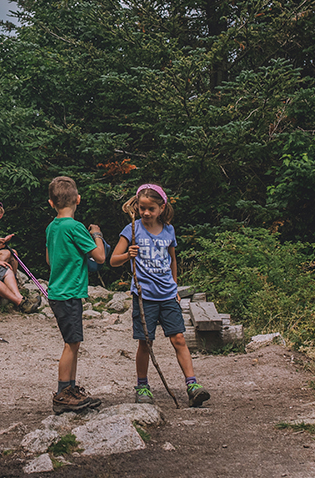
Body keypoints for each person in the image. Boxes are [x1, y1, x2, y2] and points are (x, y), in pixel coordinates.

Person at [109, 183, 209, 408]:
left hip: (167, 295)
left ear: (161, 208)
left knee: (179, 338)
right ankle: (142, 386)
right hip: (144, 297)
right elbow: (113, 260)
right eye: (142, 208)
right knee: (145, 342)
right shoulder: (132, 230)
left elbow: (173, 259)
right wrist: (128, 255)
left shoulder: (168, 230)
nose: (146, 213)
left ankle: (193, 385)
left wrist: (175, 286)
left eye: (151, 209)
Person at [45, 176, 106, 413]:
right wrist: (97, 235)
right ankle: (62, 394)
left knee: (74, 341)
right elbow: (99, 257)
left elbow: (50, 260)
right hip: (69, 292)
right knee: (71, 344)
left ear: (51, 203)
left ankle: (70, 388)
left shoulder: (52, 227)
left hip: (58, 290)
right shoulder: (76, 227)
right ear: (78, 199)